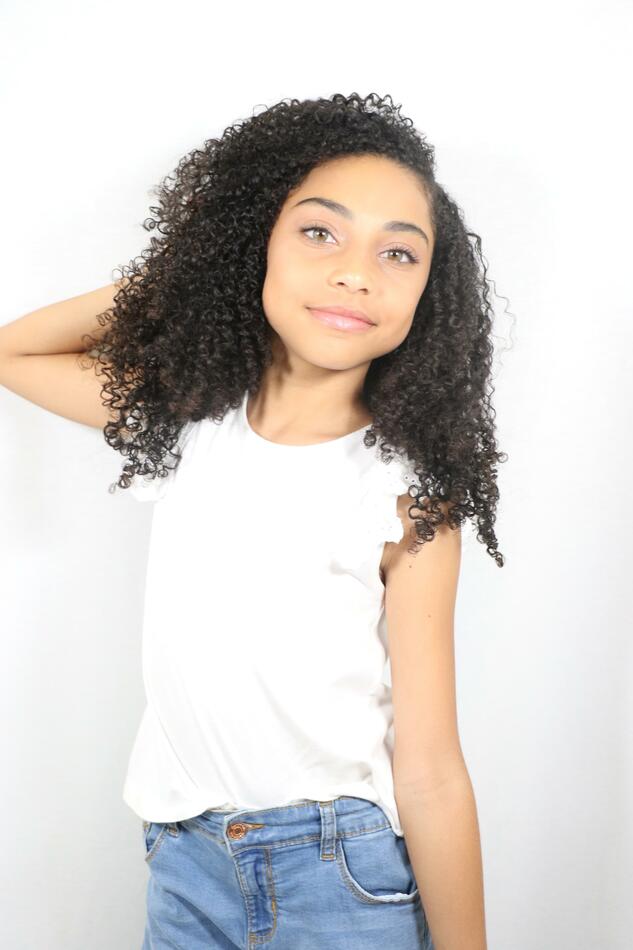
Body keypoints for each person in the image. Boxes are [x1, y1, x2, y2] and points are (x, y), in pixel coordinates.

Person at [0, 92, 504, 950]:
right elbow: (16, 351)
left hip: (341, 876)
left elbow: (428, 770)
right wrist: (201, 266)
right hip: (185, 865)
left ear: (429, 292)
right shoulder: (190, 425)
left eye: (397, 252)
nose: (356, 272)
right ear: (254, 242)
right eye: (318, 233)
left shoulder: (406, 497)